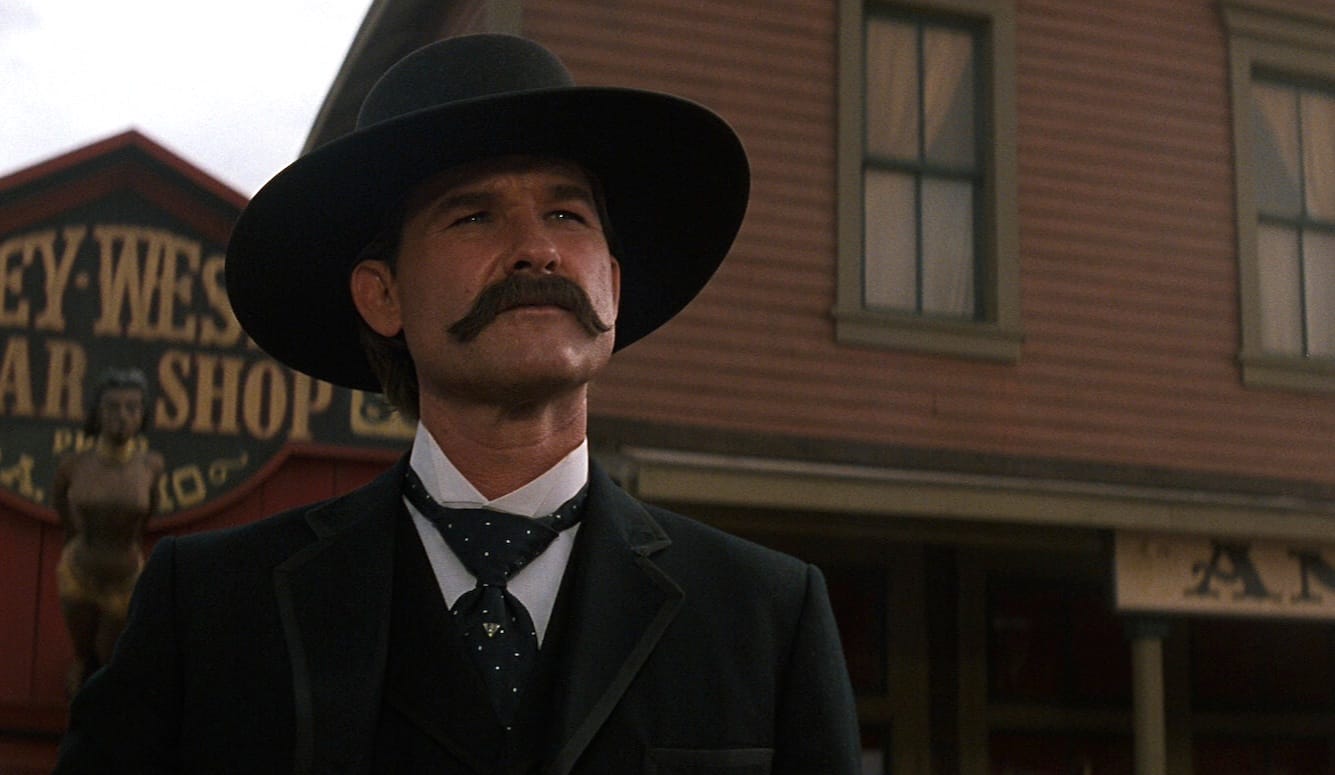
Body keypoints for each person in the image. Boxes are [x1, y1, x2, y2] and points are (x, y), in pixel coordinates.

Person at [56, 34, 860, 773]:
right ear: (383, 295)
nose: (537, 248)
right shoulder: (210, 610)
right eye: (474, 215)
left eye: (566, 214)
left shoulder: (765, 616)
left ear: (612, 286)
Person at [51, 367, 164, 697]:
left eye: (132, 407)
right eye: (112, 407)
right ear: (97, 413)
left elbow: (149, 514)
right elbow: (60, 500)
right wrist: (74, 532)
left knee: (109, 659)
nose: (122, 416)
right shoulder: (74, 464)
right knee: (83, 654)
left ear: (143, 414)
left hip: (124, 578)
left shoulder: (151, 466)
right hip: (78, 572)